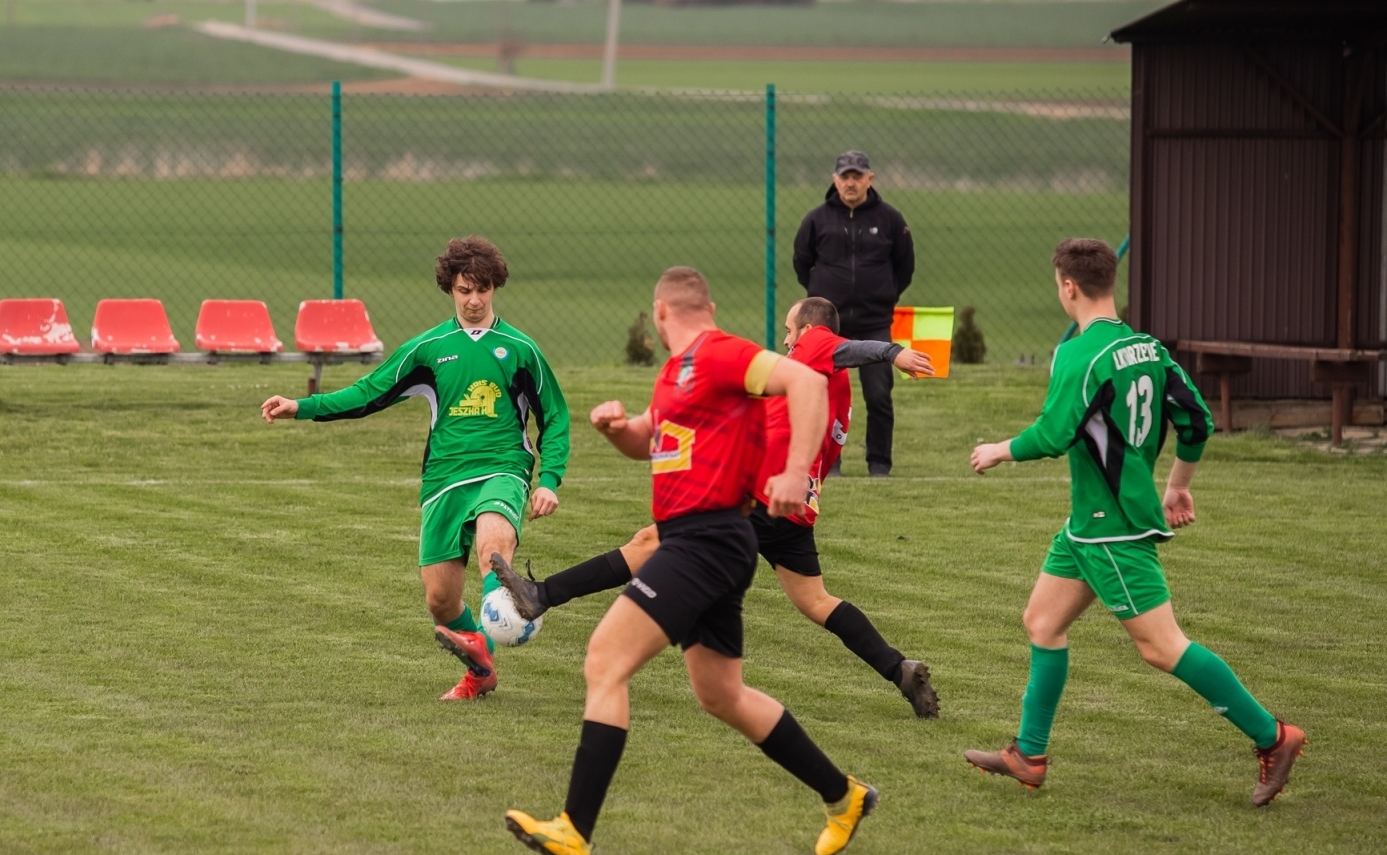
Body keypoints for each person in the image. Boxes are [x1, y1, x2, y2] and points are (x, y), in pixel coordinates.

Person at [504, 267, 877, 855]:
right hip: (705, 541)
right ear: (708, 304)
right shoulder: (675, 373)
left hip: (706, 539)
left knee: (605, 660)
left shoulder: (721, 354)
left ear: (660, 312)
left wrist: (794, 470)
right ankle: (844, 796)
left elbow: (808, 381)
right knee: (722, 695)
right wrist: (617, 430)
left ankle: (574, 830)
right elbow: (647, 440)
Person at [963, 238, 1305, 806]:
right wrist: (1178, 485)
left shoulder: (1079, 353)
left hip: (1112, 528)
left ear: (1068, 286)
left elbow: (1054, 433)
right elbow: (1196, 420)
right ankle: (1029, 754)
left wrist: (1000, 449)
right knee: (1042, 621)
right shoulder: (1148, 348)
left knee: (1162, 647)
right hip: (1087, 525)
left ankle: (1274, 736)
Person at [490, 296, 942, 718]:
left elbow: (847, 349)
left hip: (757, 497)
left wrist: (893, 353)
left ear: (808, 331)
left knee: (649, 544)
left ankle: (542, 595)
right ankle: (899, 670)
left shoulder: (817, 347)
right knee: (816, 601)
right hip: (793, 512)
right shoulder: (832, 385)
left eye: (789, 331)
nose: (786, 341)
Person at [261, 236, 569, 700]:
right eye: (464, 290)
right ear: (450, 289)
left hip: (502, 468)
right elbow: (369, 392)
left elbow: (556, 417)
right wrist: (302, 407)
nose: (474, 300)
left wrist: (548, 480)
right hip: (444, 479)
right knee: (440, 601)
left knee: (492, 546)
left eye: (482, 289)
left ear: (495, 288)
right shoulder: (429, 348)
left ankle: (508, 606)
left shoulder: (521, 349)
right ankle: (481, 667)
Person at [793, 149, 914, 478]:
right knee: (825, 396)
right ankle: (829, 464)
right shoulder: (816, 220)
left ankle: (879, 465)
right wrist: (821, 295)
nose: (850, 182)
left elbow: (904, 267)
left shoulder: (890, 220)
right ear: (835, 180)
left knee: (879, 394)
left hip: (874, 322)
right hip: (827, 328)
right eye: (845, 176)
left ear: (869, 179)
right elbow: (802, 262)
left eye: (857, 176)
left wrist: (883, 296)